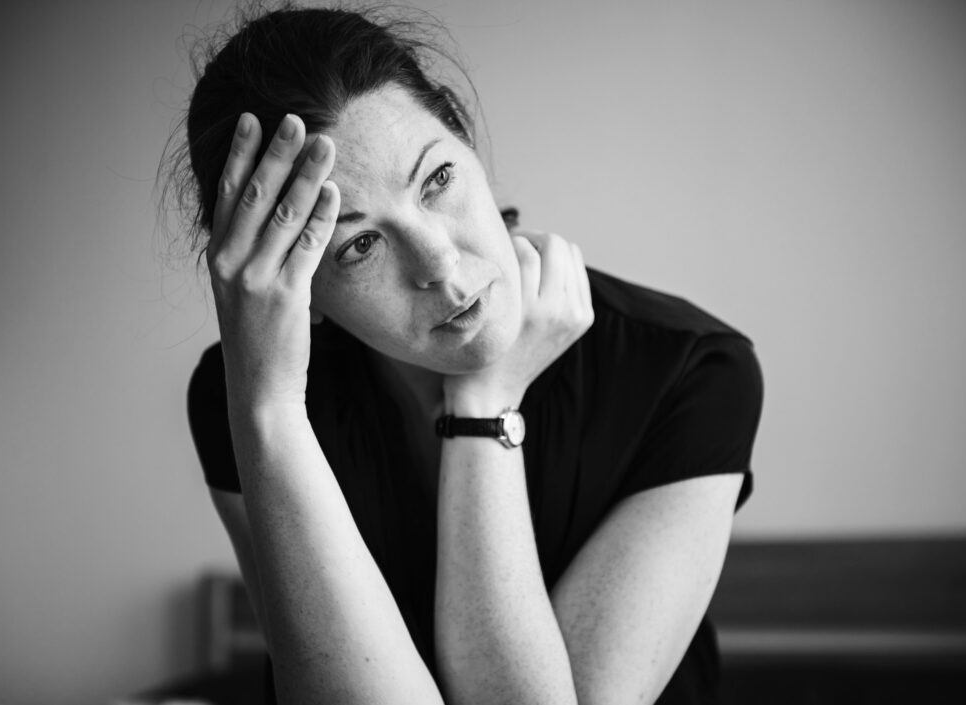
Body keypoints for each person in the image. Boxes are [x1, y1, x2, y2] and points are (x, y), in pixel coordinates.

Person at [169, 5, 763, 704]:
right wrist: (267, 410)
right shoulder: (244, 400)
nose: (442, 267)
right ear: (301, 288)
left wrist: (485, 404)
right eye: (359, 245)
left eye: (438, 180)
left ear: (463, 133)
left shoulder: (691, 372)